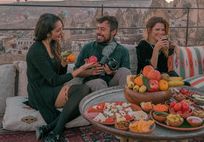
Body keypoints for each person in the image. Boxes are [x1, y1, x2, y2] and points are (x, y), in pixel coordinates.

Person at [26, 13, 94, 142]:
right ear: (47, 33)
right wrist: (79, 69)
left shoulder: (53, 44)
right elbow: (54, 80)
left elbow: (58, 76)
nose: (61, 33)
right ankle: (56, 133)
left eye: (62, 28)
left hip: (51, 87)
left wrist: (63, 64)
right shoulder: (36, 51)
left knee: (84, 103)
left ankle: (47, 128)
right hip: (40, 92)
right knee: (83, 90)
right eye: (58, 30)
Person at [74, 16, 131, 92]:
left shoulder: (122, 50)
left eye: (102, 29)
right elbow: (76, 71)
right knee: (99, 83)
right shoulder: (88, 48)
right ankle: (110, 102)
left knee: (125, 71)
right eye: (97, 28)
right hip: (94, 82)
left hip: (112, 83)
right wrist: (90, 72)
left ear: (113, 32)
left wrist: (113, 72)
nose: (98, 32)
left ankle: (122, 101)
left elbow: (126, 75)